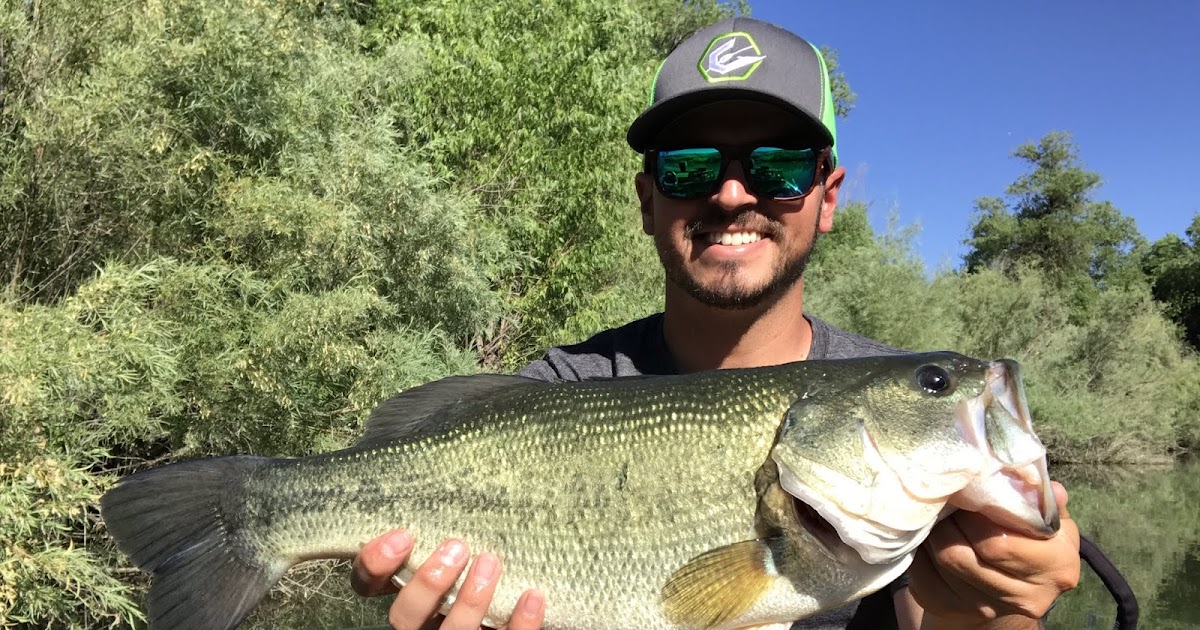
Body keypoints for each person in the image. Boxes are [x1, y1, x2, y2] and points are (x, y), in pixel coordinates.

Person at [350, 16, 1082, 630]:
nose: (732, 193)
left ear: (827, 198)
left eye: (780, 166)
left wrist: (995, 612)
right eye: (690, 166)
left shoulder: (904, 462)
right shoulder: (557, 389)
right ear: (647, 201)